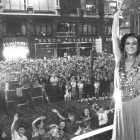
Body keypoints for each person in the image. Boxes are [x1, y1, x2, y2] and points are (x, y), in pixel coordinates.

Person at [112, 8, 140, 140]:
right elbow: (114, 38)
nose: (131, 46)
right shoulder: (119, 59)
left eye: (134, 43)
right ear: (123, 45)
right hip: (121, 106)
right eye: (128, 43)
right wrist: (116, 18)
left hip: (136, 103)